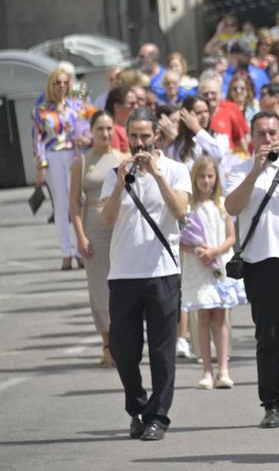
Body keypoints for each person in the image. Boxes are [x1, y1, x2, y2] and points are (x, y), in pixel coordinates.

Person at [100, 107, 191, 441]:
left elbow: (180, 210)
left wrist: (157, 175)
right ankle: (137, 407)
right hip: (123, 273)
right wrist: (121, 183)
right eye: (133, 136)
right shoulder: (115, 174)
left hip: (162, 271)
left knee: (162, 350)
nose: (139, 143)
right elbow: (107, 219)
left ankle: (157, 416)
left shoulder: (176, 170)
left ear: (157, 136)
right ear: (127, 136)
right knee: (124, 350)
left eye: (145, 136)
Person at [224, 111, 279, 430]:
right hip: (259, 264)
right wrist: (255, 171)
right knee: (268, 337)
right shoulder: (239, 170)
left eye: (273, 133)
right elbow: (232, 207)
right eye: (261, 134)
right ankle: (271, 404)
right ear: (251, 137)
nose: (268, 139)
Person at [70, 111, 125, 367]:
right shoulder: (82, 161)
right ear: (91, 131)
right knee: (99, 290)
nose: (105, 133)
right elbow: (73, 203)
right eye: (100, 128)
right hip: (93, 228)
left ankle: (125, 338)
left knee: (123, 286)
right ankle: (107, 343)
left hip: (119, 227)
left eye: (109, 128)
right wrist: (80, 235)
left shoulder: (122, 158)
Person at [181, 156, 239, 390]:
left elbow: (231, 237)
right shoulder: (187, 207)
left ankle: (223, 368)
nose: (206, 181)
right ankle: (206, 369)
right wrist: (197, 250)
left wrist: (215, 251)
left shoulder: (222, 205)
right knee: (203, 317)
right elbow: (180, 241)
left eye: (210, 176)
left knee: (221, 316)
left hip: (219, 265)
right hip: (197, 266)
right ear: (194, 178)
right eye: (202, 176)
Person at [32, 66, 90, 270]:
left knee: (77, 201)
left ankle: (78, 249)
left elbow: (87, 128)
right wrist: (41, 164)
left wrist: (87, 139)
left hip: (74, 155)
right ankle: (66, 252)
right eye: (58, 82)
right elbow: (37, 138)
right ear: (51, 85)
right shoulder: (41, 110)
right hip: (54, 156)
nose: (62, 86)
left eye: (65, 82)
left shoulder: (77, 106)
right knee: (61, 203)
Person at [169, 95, 229, 170]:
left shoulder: (219, 137)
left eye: (206, 111)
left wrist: (197, 129)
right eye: (198, 113)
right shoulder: (177, 146)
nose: (204, 116)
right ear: (186, 116)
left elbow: (218, 155)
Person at [105, 86, 136, 153]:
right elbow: (115, 159)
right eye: (132, 104)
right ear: (117, 107)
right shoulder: (112, 130)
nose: (136, 107)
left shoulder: (129, 128)